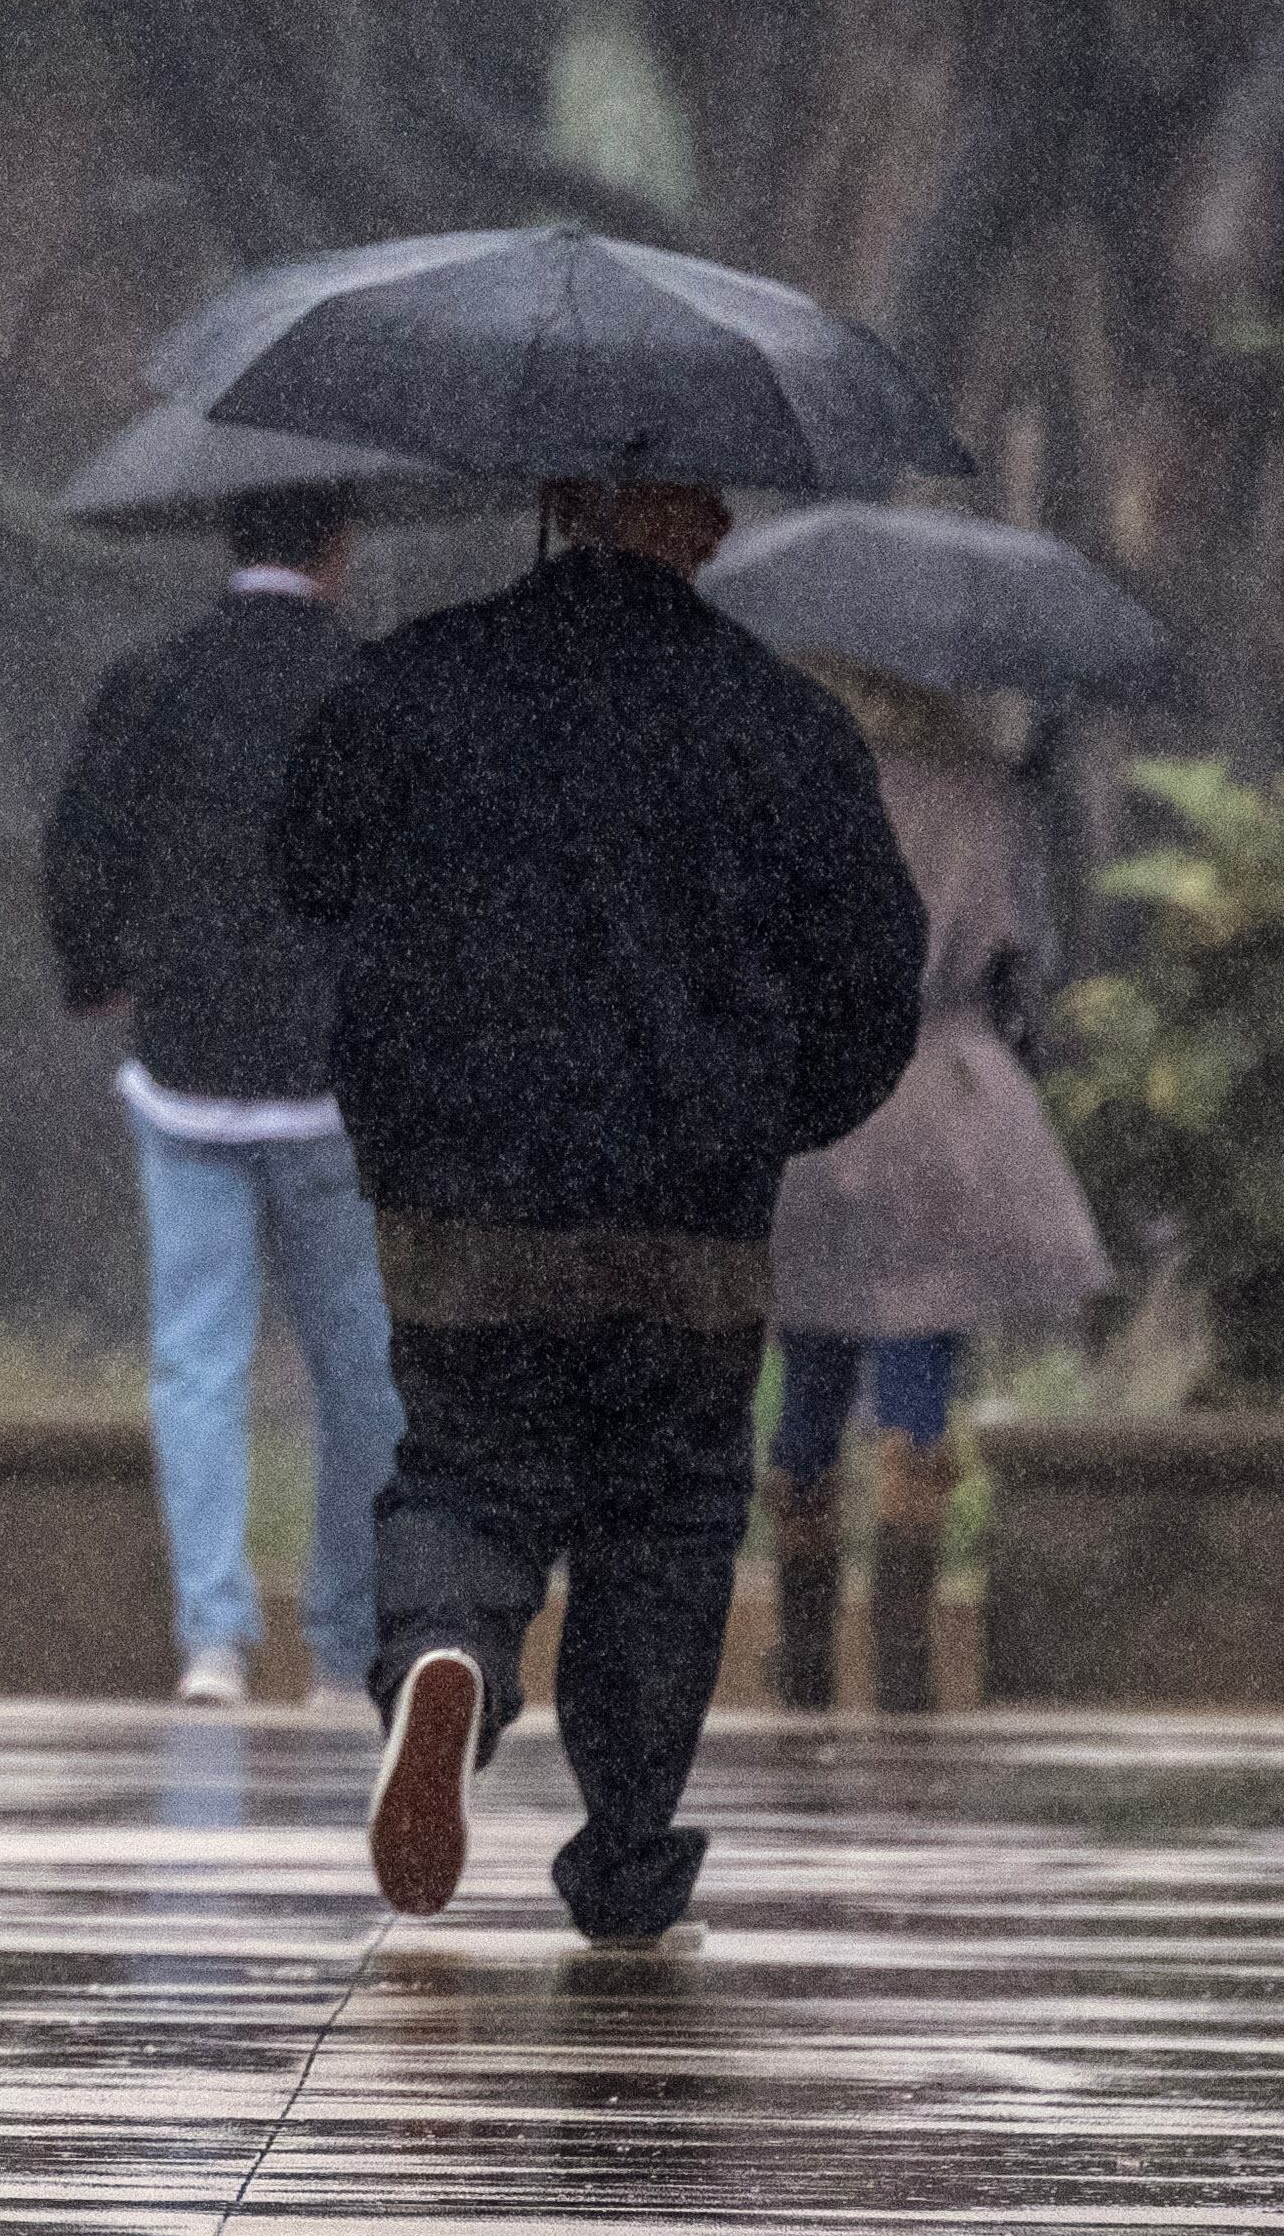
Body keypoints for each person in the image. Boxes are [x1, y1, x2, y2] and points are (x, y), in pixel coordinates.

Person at [273, 476, 923, 1945]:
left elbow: (304, 872)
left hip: (464, 1188)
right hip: (690, 1203)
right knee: (671, 1504)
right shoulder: (784, 723)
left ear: (556, 497)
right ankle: (627, 1859)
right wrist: (771, 1111)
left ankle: (447, 1655)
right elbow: (878, 973)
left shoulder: (411, 685)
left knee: (463, 1468)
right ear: (701, 523)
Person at [42, 482, 404, 1707]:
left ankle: (214, 1636)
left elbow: (81, 843)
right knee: (358, 1367)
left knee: (196, 1358)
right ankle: (348, 1647)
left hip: (185, 1067)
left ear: (230, 540)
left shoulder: (152, 678)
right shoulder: (376, 690)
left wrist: (99, 972)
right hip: (337, 1087)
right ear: (340, 549)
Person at [759, 660, 1114, 1715]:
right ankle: (905, 1669)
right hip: (938, 1102)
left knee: (811, 1369)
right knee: (917, 1371)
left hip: (809, 1109)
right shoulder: (983, 790)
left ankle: (805, 1668)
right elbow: (1014, 954)